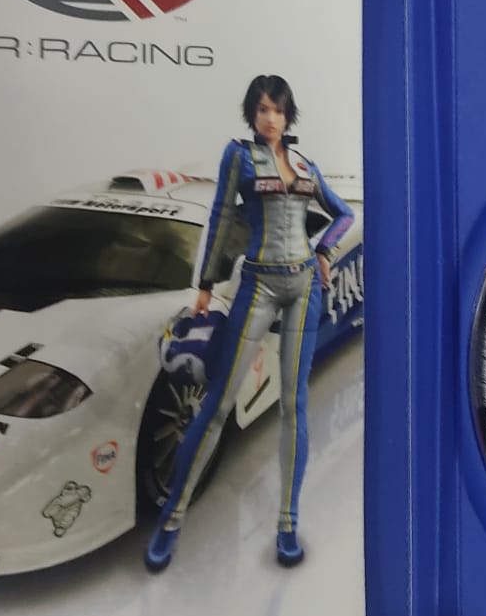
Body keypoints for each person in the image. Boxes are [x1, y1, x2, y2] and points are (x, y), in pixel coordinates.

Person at [146, 75, 353, 572]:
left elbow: (343, 214)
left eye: (277, 110)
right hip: (257, 283)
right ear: (252, 114)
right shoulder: (238, 156)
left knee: (294, 406)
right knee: (217, 403)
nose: (270, 118)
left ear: (288, 114)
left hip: (304, 286)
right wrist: (205, 283)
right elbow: (220, 216)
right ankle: (172, 518)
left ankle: (287, 523)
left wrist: (325, 251)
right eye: (262, 109)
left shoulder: (304, 165)